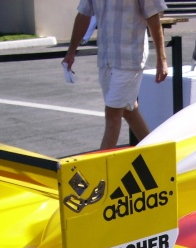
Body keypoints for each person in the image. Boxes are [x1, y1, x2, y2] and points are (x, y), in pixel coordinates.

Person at [64, 0, 168, 149]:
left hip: (130, 58)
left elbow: (153, 17)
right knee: (128, 110)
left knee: (113, 114)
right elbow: (84, 14)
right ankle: (156, 156)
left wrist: (162, 59)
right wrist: (71, 51)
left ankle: (102, 168)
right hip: (106, 58)